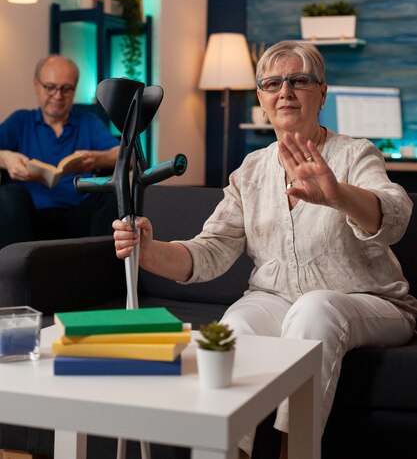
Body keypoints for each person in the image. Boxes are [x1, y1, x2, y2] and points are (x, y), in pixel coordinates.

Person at [113, 40, 417, 459]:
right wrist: (149, 252)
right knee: (232, 328)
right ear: (260, 98)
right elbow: (210, 251)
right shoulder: (250, 171)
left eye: (299, 80)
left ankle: (295, 452)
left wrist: (337, 194)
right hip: (275, 300)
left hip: (369, 301)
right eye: (272, 83)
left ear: (322, 92)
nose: (285, 91)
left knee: (315, 309)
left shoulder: (354, 153)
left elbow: (396, 215)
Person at [0, 55, 120, 248]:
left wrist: (96, 159)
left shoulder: (88, 123)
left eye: (66, 89)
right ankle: (15, 274)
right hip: (30, 218)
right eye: (50, 87)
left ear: (74, 90)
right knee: (8, 194)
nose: (58, 96)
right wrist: (5, 158)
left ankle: (100, 274)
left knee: (109, 194)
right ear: (37, 85)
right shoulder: (20, 121)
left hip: (80, 217)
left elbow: (126, 157)